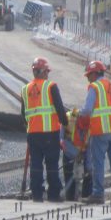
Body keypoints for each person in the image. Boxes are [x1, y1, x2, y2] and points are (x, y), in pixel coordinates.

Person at [21, 57, 68, 202]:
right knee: (52, 163)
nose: (47, 74)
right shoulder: (51, 86)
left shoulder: (25, 89)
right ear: (43, 72)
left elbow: (23, 114)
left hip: (33, 134)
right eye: (47, 71)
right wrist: (65, 124)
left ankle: (37, 194)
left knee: (35, 164)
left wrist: (30, 126)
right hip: (50, 133)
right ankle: (53, 194)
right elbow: (60, 109)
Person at [79, 60, 111, 204]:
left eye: (88, 75)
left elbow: (87, 110)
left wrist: (78, 113)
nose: (88, 78)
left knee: (98, 162)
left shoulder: (95, 87)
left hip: (100, 130)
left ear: (94, 73)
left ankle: (98, 194)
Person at [60, 108, 92, 201]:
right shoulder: (69, 118)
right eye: (81, 128)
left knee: (89, 175)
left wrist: (89, 167)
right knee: (69, 176)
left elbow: (90, 147)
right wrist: (75, 153)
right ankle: (70, 199)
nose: (83, 131)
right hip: (69, 151)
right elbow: (61, 139)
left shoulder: (92, 125)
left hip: (84, 152)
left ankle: (86, 198)